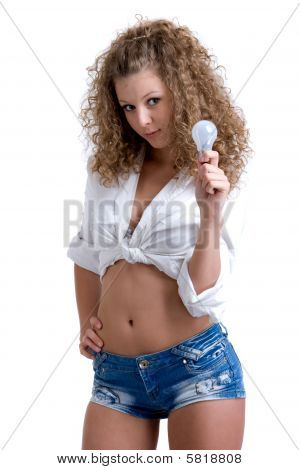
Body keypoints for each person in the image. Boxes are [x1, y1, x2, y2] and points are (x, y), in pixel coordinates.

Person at [67, 16, 253, 450]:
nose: (143, 120)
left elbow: (203, 293)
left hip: (197, 371)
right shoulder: (110, 167)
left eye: (153, 100)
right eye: (128, 107)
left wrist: (210, 213)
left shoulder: (216, 176)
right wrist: (85, 322)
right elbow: (86, 252)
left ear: (182, 91)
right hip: (114, 373)